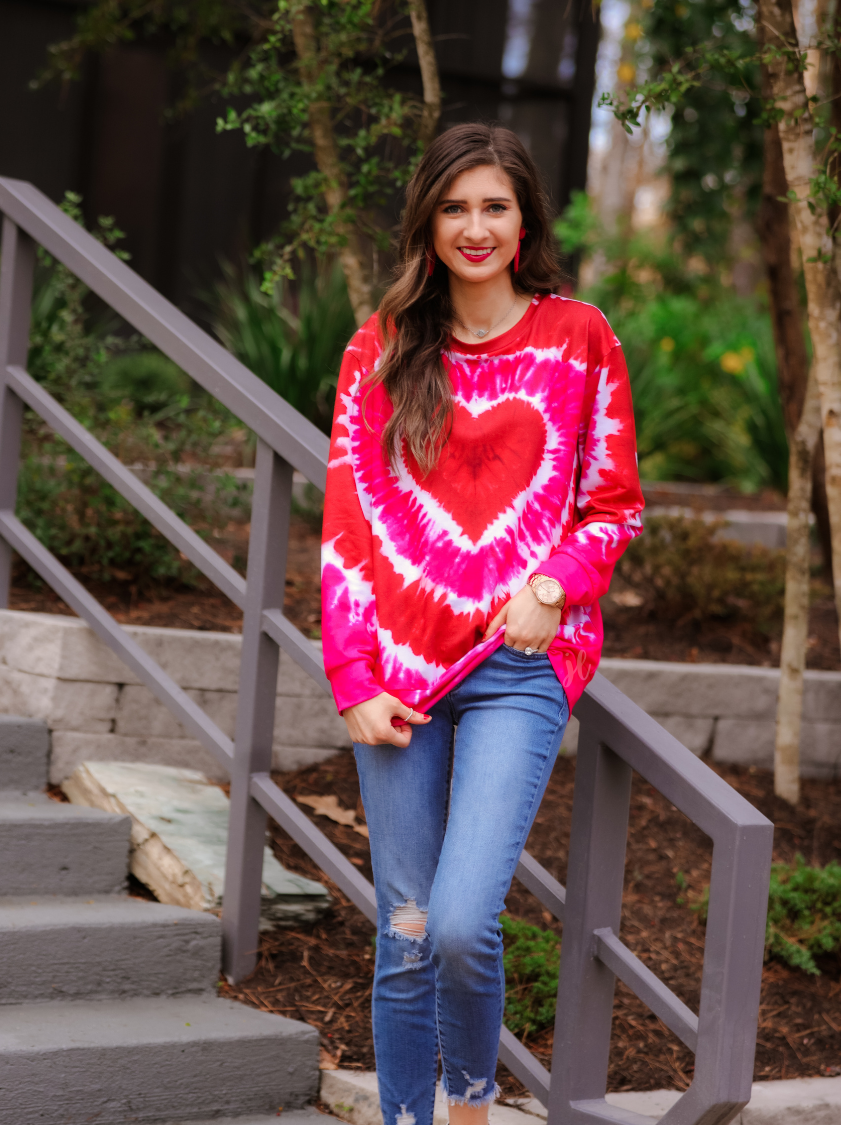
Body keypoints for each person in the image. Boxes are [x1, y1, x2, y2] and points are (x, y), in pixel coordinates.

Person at [320, 123, 643, 1125]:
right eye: (454, 207)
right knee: (406, 929)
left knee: (461, 923)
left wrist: (553, 586)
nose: (474, 227)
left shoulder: (577, 337)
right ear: (427, 220)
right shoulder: (379, 347)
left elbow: (614, 504)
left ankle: (469, 1099)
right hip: (400, 682)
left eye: (494, 206)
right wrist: (353, 680)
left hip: (515, 669)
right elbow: (347, 525)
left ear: (525, 219)